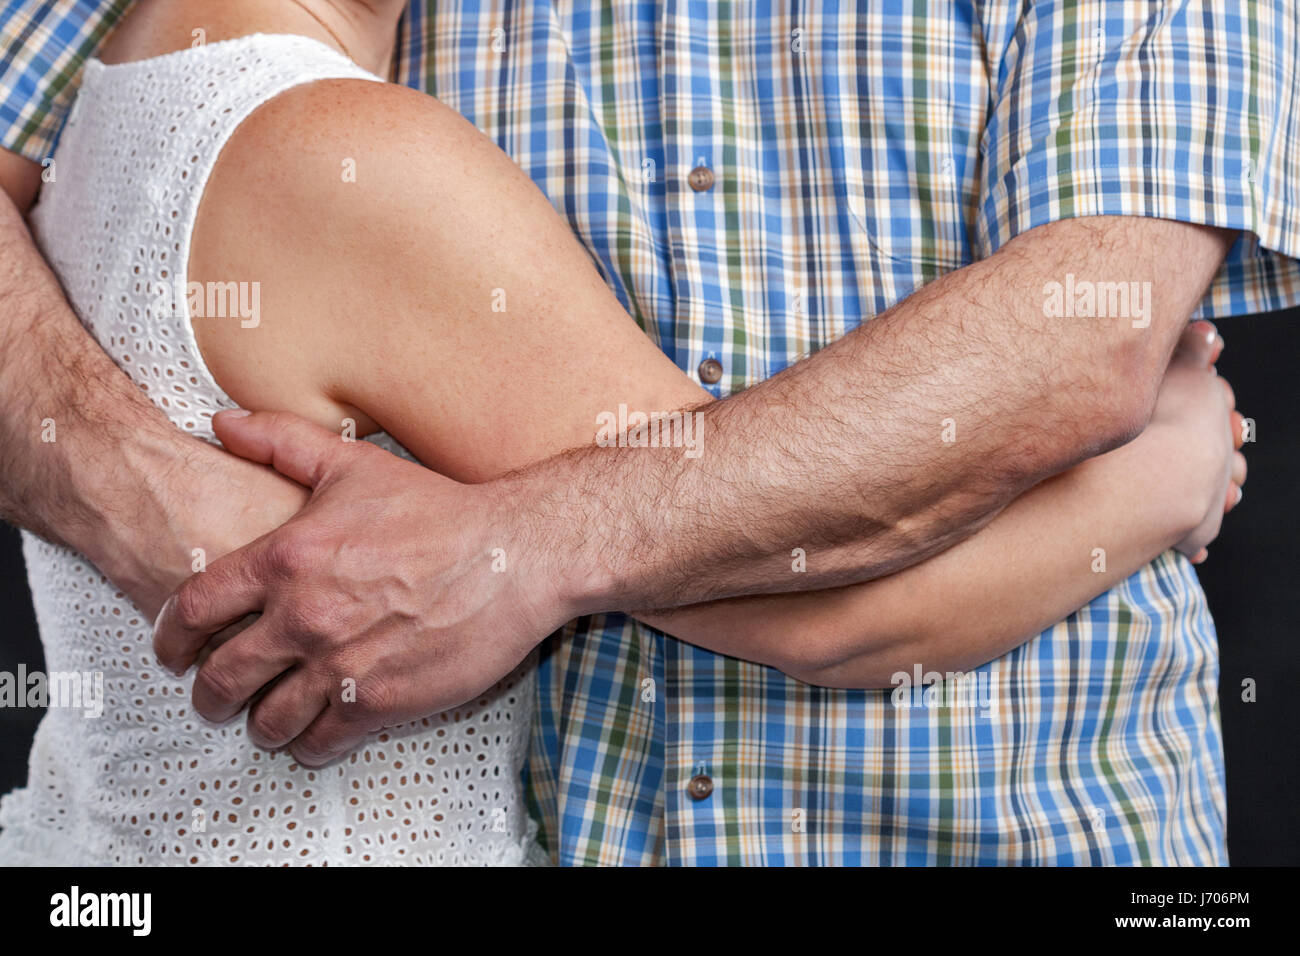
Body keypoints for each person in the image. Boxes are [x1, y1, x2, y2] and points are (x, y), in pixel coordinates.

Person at [0, 0, 1292, 865]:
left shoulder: (155, 100)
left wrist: (515, 546)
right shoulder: (343, 156)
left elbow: (1085, 330)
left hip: (998, 824)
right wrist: (1163, 483)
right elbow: (825, 615)